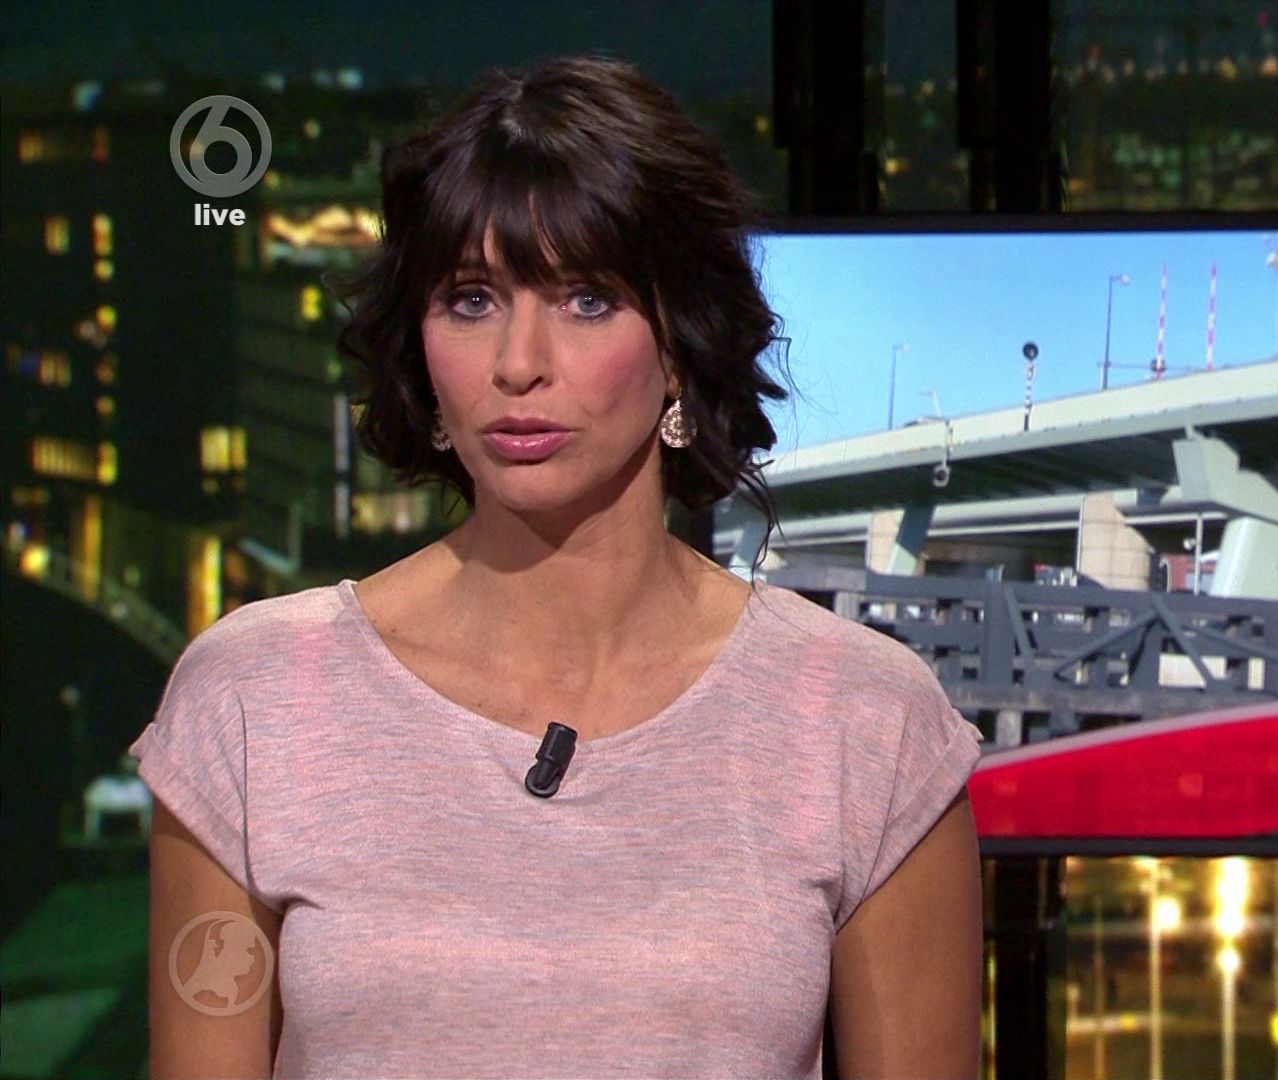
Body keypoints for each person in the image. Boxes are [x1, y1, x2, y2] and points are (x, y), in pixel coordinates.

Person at [132, 55, 983, 1079]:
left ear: (680, 345)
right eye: (470, 300)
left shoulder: (866, 720)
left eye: (585, 300)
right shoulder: (254, 698)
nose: (518, 364)